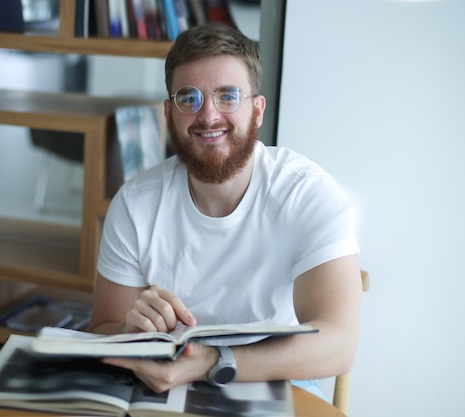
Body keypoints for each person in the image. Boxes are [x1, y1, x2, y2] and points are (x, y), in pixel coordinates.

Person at [87, 23, 362, 400]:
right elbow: (102, 328)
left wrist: (210, 361)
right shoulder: (135, 203)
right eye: (189, 98)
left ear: (257, 110)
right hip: (163, 385)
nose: (208, 115)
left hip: (278, 382)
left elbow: (339, 345)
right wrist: (129, 333)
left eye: (228, 96)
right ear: (169, 113)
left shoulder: (305, 192)